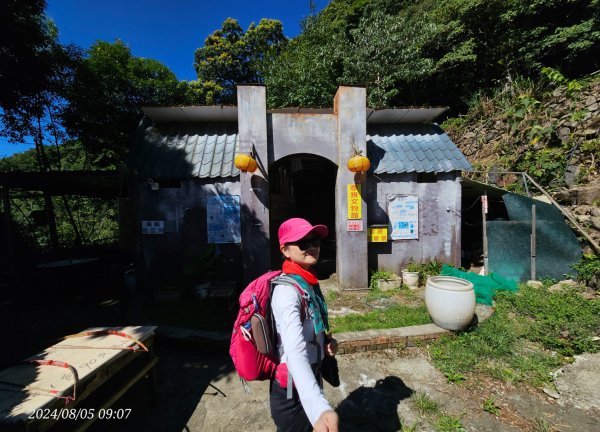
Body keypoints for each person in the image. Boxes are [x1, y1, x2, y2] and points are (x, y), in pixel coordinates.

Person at [270, 217, 339, 432]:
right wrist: (318, 408)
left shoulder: (307, 282)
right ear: (285, 250)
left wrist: (324, 343)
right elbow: (294, 351)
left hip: (311, 375)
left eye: (315, 241)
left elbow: (309, 328)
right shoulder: (287, 292)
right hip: (292, 389)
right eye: (303, 243)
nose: (312, 248)